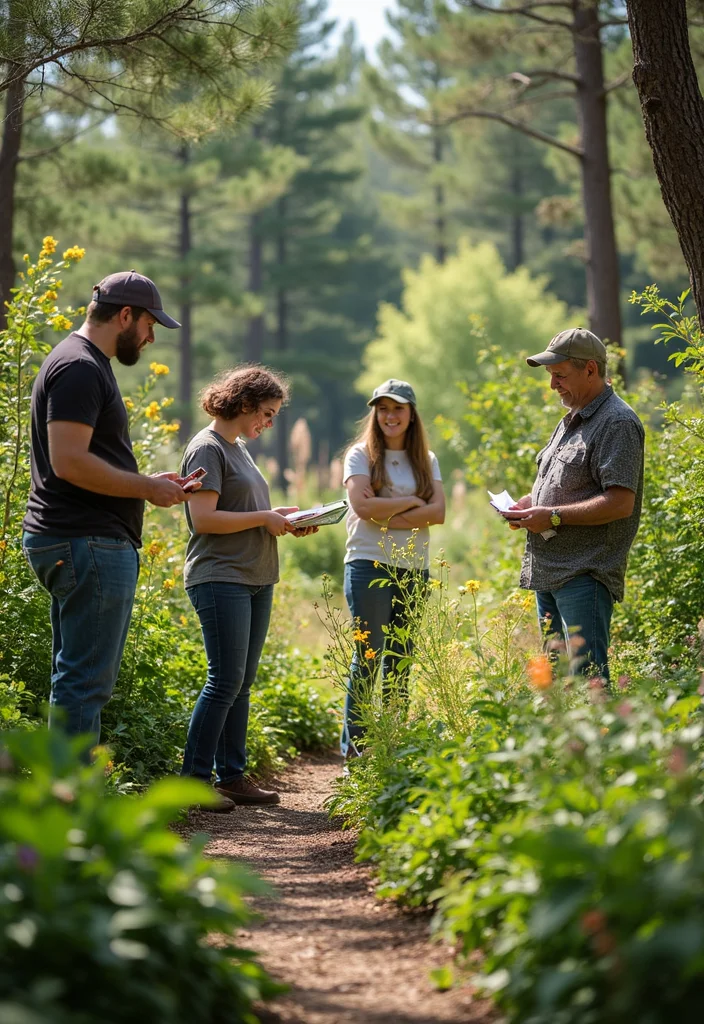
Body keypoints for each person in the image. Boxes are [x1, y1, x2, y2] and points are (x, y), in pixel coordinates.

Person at [22, 270, 191, 749]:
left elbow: (85, 457)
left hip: (76, 539)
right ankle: (75, 810)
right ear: (124, 315)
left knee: (74, 678)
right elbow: (70, 461)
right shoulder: (80, 367)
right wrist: (145, 490)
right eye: (150, 324)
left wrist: (145, 484)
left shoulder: (82, 361)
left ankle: (65, 799)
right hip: (87, 541)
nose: (152, 336)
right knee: (85, 684)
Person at [180, 366, 317, 812]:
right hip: (220, 577)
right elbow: (203, 519)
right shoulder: (207, 446)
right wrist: (263, 518)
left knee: (241, 682)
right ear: (244, 404)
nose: (269, 423)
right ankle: (194, 782)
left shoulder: (239, 449)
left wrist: (279, 517)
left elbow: (241, 509)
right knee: (224, 680)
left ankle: (231, 777)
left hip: (256, 576)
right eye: (267, 413)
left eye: (275, 416)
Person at [502, 328, 645, 686]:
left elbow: (620, 502)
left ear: (591, 370)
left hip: (584, 576)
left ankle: (602, 743)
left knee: (588, 684)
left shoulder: (618, 422)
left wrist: (550, 515)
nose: (553, 385)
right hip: (551, 573)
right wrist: (531, 504)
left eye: (560, 375)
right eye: (551, 376)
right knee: (560, 686)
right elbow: (571, 487)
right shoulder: (574, 417)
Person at [341, 378, 445, 758]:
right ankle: (358, 751)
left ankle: (391, 745)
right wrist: (415, 503)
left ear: (411, 414)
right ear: (375, 414)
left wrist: (388, 510)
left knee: (401, 657)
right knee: (369, 656)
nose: (389, 415)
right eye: (382, 408)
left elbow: (440, 513)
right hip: (368, 562)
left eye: (397, 408)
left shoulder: (426, 460)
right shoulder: (359, 456)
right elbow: (362, 509)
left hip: (414, 568)